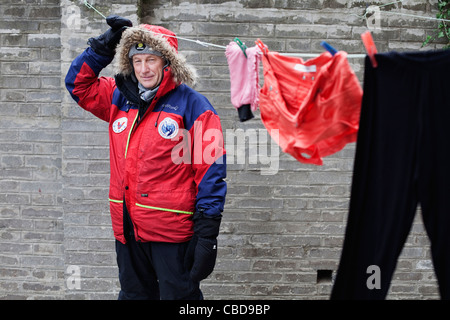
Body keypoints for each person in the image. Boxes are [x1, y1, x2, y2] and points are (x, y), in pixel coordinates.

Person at [65, 15, 227, 300]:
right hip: (128, 229)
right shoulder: (118, 97)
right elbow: (78, 85)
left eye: (150, 59)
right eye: (136, 61)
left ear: (167, 61)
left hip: (172, 233)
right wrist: (101, 48)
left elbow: (210, 169)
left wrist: (207, 233)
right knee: (133, 296)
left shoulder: (194, 106)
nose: (143, 68)